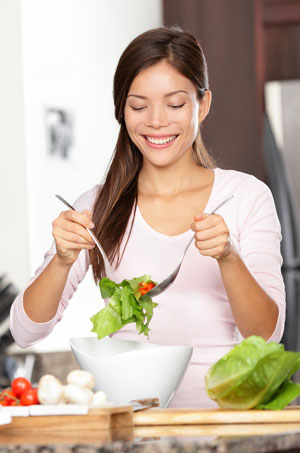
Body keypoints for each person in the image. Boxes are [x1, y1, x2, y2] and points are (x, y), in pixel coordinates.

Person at [10, 26, 285, 408]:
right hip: (131, 429)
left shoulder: (244, 197)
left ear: (202, 105)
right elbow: (25, 333)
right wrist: (62, 260)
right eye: (139, 106)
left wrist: (228, 257)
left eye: (175, 104)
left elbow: (267, 335)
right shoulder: (97, 205)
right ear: (122, 110)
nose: (156, 121)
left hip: (223, 424)